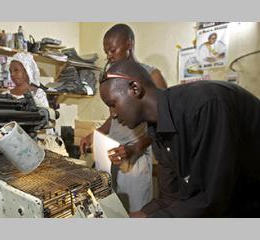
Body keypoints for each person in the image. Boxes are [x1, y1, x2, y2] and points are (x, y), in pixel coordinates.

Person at [99, 58, 260, 217]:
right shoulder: (157, 130)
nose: (112, 115)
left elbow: (211, 200)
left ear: (135, 88)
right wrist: (140, 215)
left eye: (113, 104)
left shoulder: (205, 105)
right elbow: (172, 196)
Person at [80, 23, 167, 213]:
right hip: (113, 155)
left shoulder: (152, 75)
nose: (109, 55)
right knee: (113, 211)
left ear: (129, 44)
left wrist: (135, 147)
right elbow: (114, 117)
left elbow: (164, 124)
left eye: (112, 49)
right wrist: (93, 135)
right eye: (106, 52)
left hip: (135, 157)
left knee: (135, 211)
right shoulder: (114, 78)